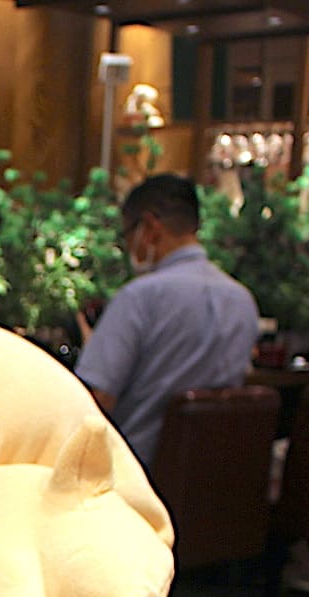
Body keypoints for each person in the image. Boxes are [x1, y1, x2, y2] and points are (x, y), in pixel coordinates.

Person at [74, 173, 260, 467]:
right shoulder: (243, 301)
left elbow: (94, 401)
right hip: (216, 475)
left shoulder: (139, 298)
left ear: (149, 228)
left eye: (127, 234)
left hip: (133, 476)